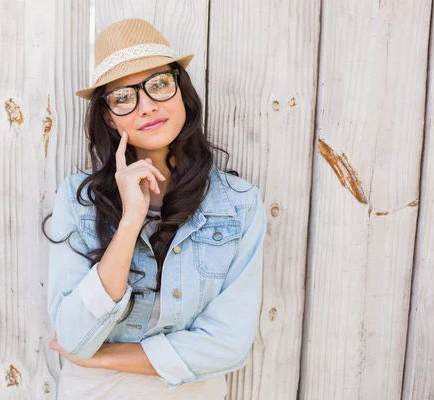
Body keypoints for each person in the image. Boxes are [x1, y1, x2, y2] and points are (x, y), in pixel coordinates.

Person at [41, 17, 266, 400]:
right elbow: (74, 334)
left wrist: (105, 356)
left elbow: (229, 343)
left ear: (182, 91)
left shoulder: (238, 204)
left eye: (159, 84)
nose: (146, 107)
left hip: (192, 391)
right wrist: (130, 221)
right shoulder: (79, 202)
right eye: (124, 96)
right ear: (109, 117)